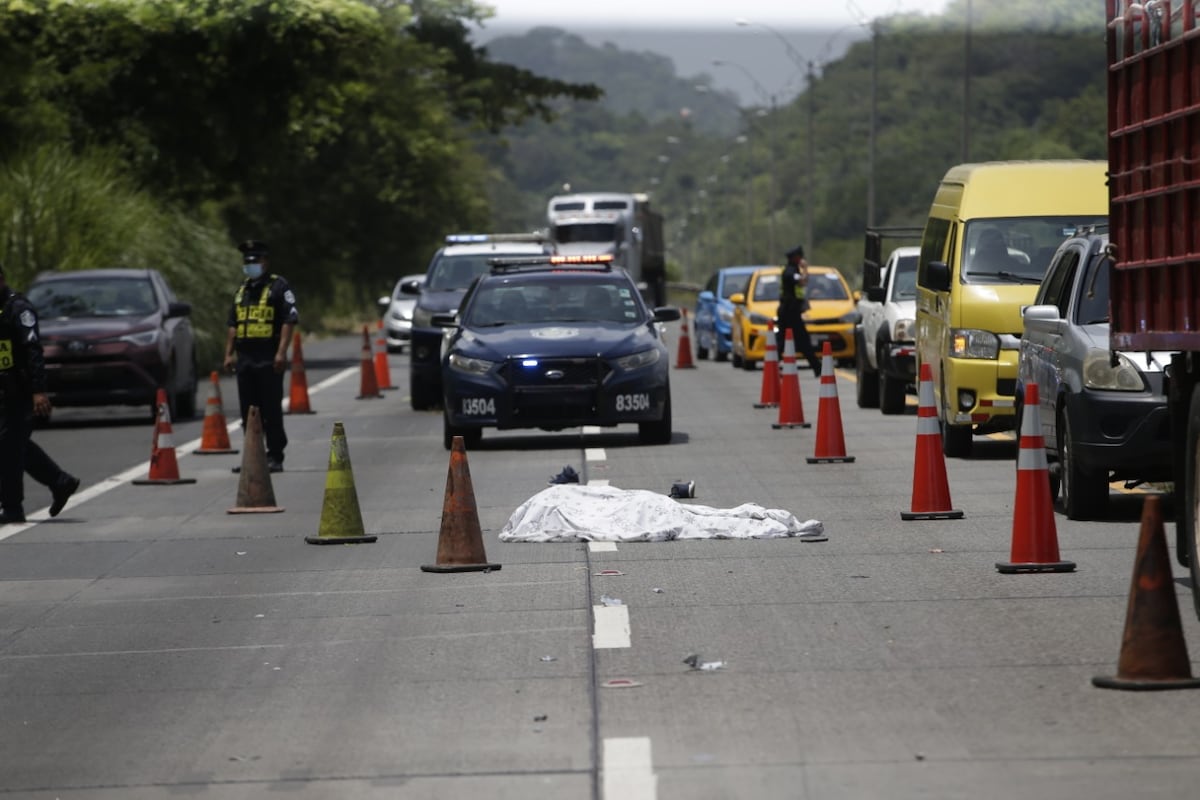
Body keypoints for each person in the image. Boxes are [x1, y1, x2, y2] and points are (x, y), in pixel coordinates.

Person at [0, 262, 79, 523]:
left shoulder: (18, 309)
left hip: (18, 392)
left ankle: (12, 508)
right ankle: (60, 482)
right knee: (14, 444)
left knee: (9, 449)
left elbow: (33, 351)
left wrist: (38, 392)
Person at [223, 240, 298, 473]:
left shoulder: (278, 287)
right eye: (247, 261)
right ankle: (253, 457)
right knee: (249, 412)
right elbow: (233, 325)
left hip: (268, 358)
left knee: (271, 410)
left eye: (254, 260)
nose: (250, 264)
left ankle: (275, 456)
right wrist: (228, 354)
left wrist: (281, 352)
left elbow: (289, 319)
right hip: (245, 360)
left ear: (265, 261)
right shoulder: (242, 291)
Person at [775, 244, 822, 377]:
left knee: (787, 340)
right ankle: (817, 367)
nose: (801, 259)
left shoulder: (793, 269)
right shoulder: (790, 271)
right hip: (789, 312)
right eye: (800, 257)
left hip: (791, 311)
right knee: (799, 340)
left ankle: (817, 367)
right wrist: (805, 269)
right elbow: (802, 281)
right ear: (795, 258)